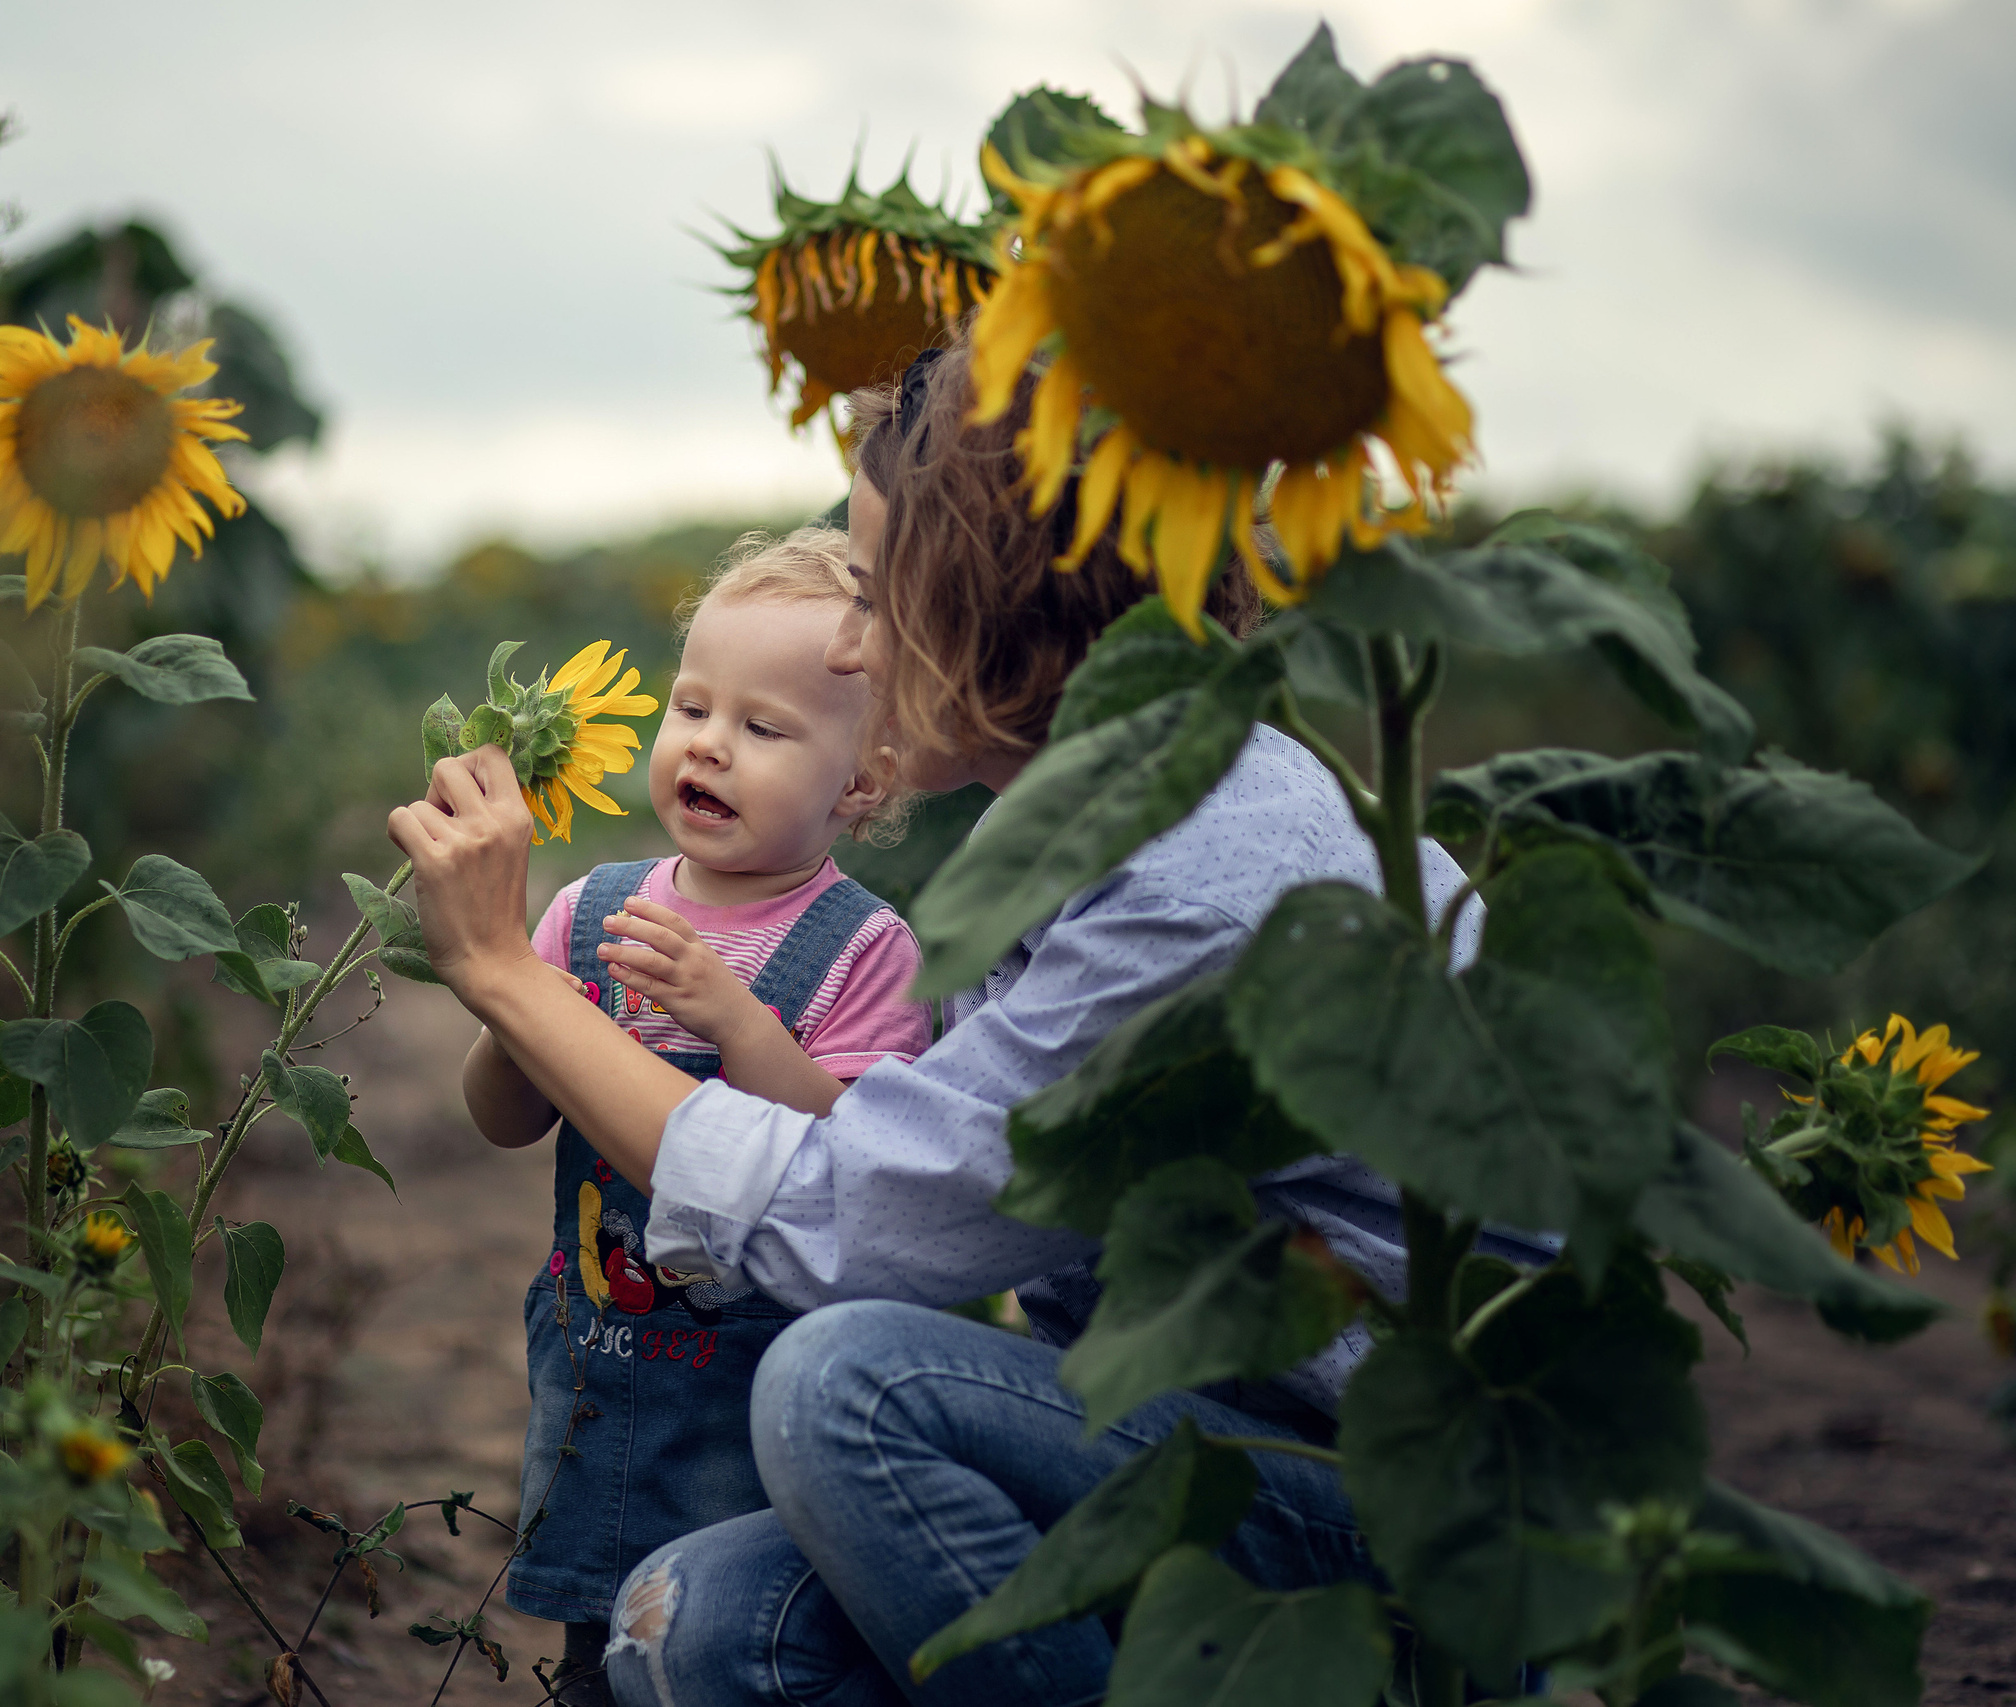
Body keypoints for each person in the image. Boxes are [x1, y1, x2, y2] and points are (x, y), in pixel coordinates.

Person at [389, 337, 1550, 1706]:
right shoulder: (1097, 817)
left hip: (1381, 1501)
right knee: (684, 1623)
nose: (849, 644)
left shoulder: (1192, 883)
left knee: (847, 1390)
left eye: (879, 594)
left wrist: (505, 974)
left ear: (993, 602)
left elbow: (856, 1223)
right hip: (1199, 1436)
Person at [460, 527, 932, 1698]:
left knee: (704, 1637)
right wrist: (529, 1016)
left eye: (764, 729)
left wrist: (739, 1024)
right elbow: (498, 1119)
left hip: (752, 1389)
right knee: (589, 1649)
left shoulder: (866, 950)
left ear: (862, 780)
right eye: (691, 708)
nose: (708, 745)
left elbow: (849, 1156)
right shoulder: (593, 907)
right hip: (602, 1354)